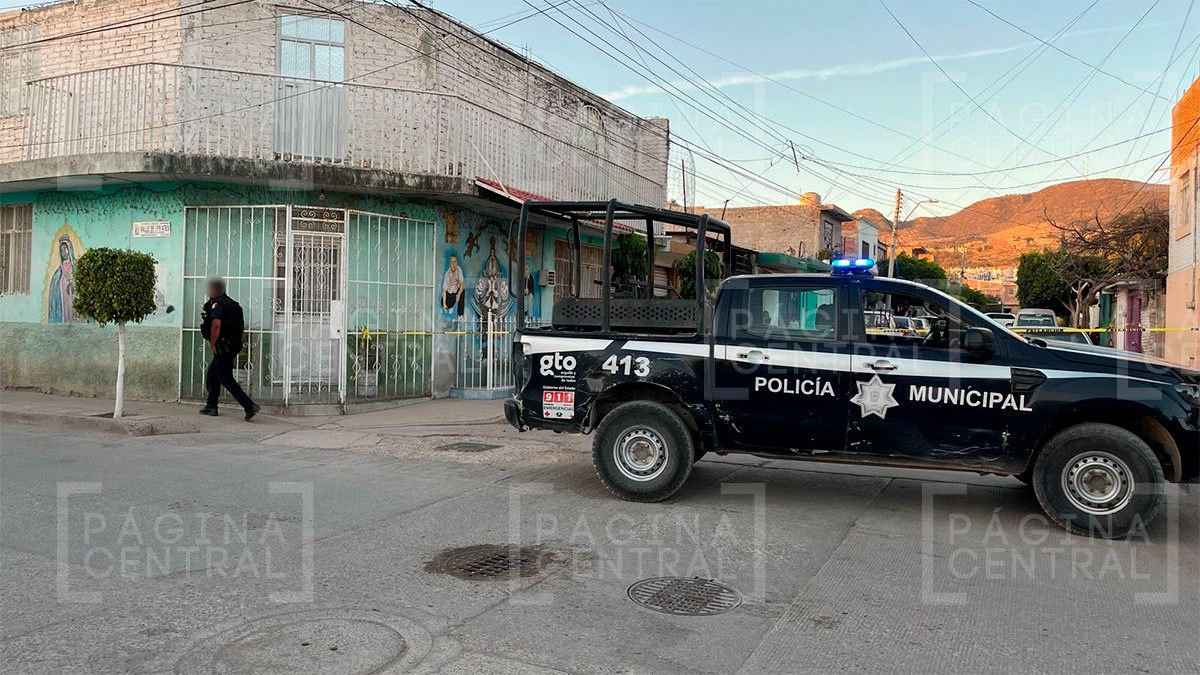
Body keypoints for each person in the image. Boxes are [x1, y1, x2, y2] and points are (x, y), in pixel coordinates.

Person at [199, 278, 260, 420]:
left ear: (215, 290)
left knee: (225, 377)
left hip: (222, 346)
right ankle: (211, 406)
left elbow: (216, 325)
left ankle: (249, 405)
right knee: (213, 375)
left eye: (210, 289)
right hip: (233, 344)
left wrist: (213, 343)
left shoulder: (218, 304)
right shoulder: (233, 304)